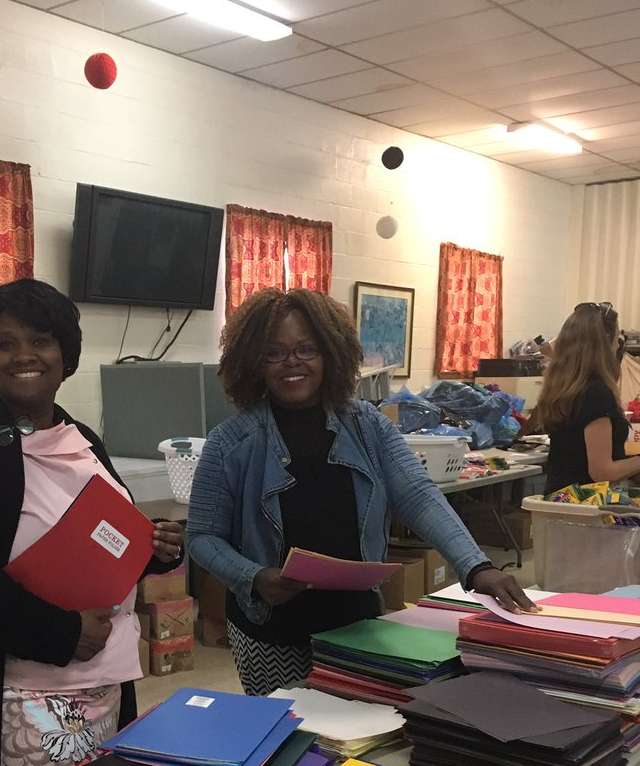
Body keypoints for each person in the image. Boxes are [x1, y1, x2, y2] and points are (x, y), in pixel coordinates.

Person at [186, 288, 533, 696]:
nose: (292, 363)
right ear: (253, 362)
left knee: (360, 734)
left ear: (330, 353)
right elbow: (202, 536)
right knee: (287, 740)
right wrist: (254, 576)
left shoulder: (368, 426)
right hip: (271, 630)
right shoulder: (230, 442)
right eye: (274, 353)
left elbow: (418, 495)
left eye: (306, 349)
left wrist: (475, 566)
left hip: (359, 622)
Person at [0, 278, 183, 766]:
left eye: (40, 340)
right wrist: (61, 633)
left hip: (102, 675)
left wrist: (155, 551)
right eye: (5, 343)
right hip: (13, 690)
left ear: (64, 352)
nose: (24, 356)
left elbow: (110, 536)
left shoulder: (83, 439)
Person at [536, 301, 640, 495]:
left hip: (560, 500)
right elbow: (602, 471)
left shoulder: (563, 387)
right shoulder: (596, 393)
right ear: (605, 341)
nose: (618, 344)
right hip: (583, 505)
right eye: (617, 338)